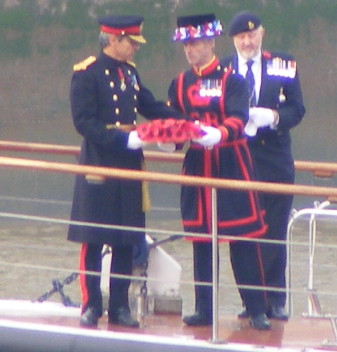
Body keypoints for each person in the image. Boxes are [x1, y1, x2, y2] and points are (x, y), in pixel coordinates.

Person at [68, 15, 183, 328]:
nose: (135, 48)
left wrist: (184, 122)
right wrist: (123, 138)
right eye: (131, 42)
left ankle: (119, 306)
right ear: (114, 39)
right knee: (92, 239)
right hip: (100, 164)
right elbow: (84, 122)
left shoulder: (130, 73)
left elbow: (149, 105)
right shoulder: (87, 73)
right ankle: (91, 304)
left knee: (125, 239)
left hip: (129, 164)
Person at [167, 14, 270, 330]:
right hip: (198, 168)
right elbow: (172, 119)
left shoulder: (232, 81)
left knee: (243, 240)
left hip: (231, 165)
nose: (190, 50)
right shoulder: (181, 83)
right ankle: (205, 309)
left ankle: (256, 309)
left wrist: (220, 133)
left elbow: (239, 119)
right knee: (202, 241)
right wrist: (168, 141)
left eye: (195, 43)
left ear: (211, 42)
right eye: (186, 44)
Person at [221, 11, 305, 321]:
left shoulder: (282, 64)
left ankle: (275, 299)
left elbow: (298, 108)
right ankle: (250, 300)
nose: (247, 40)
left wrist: (274, 117)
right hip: (237, 160)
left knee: (274, 231)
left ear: (262, 35)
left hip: (275, 159)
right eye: (241, 36)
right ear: (233, 40)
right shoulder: (223, 69)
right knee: (242, 233)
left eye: (252, 35)